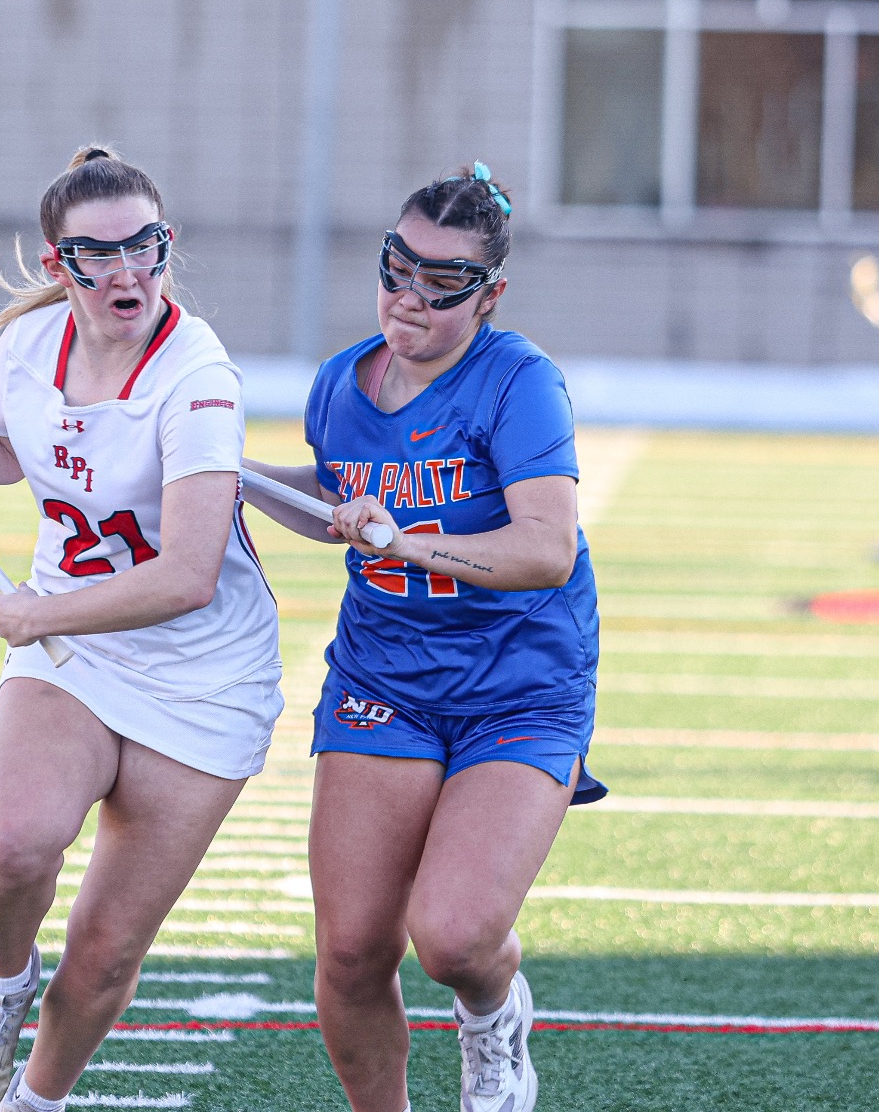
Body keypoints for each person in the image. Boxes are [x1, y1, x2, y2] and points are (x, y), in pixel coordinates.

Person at [0, 146, 282, 1112]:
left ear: (167, 246)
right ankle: (0, 983)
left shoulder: (199, 378)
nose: (126, 273)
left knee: (105, 951)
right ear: (56, 264)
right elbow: (1, 448)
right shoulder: (31, 346)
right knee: (12, 852)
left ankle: (36, 1101)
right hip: (77, 655)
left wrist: (40, 612)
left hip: (203, 677)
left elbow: (188, 576)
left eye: (144, 247)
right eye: (97, 255)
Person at [244, 163, 605, 1112]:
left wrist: (404, 541)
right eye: (395, 269)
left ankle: (494, 1014)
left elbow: (546, 549)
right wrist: (230, 474)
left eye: (440, 284)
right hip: (384, 679)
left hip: (519, 686)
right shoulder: (340, 382)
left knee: (453, 937)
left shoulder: (519, 381)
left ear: (489, 296)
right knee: (352, 950)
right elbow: (335, 501)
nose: (408, 298)